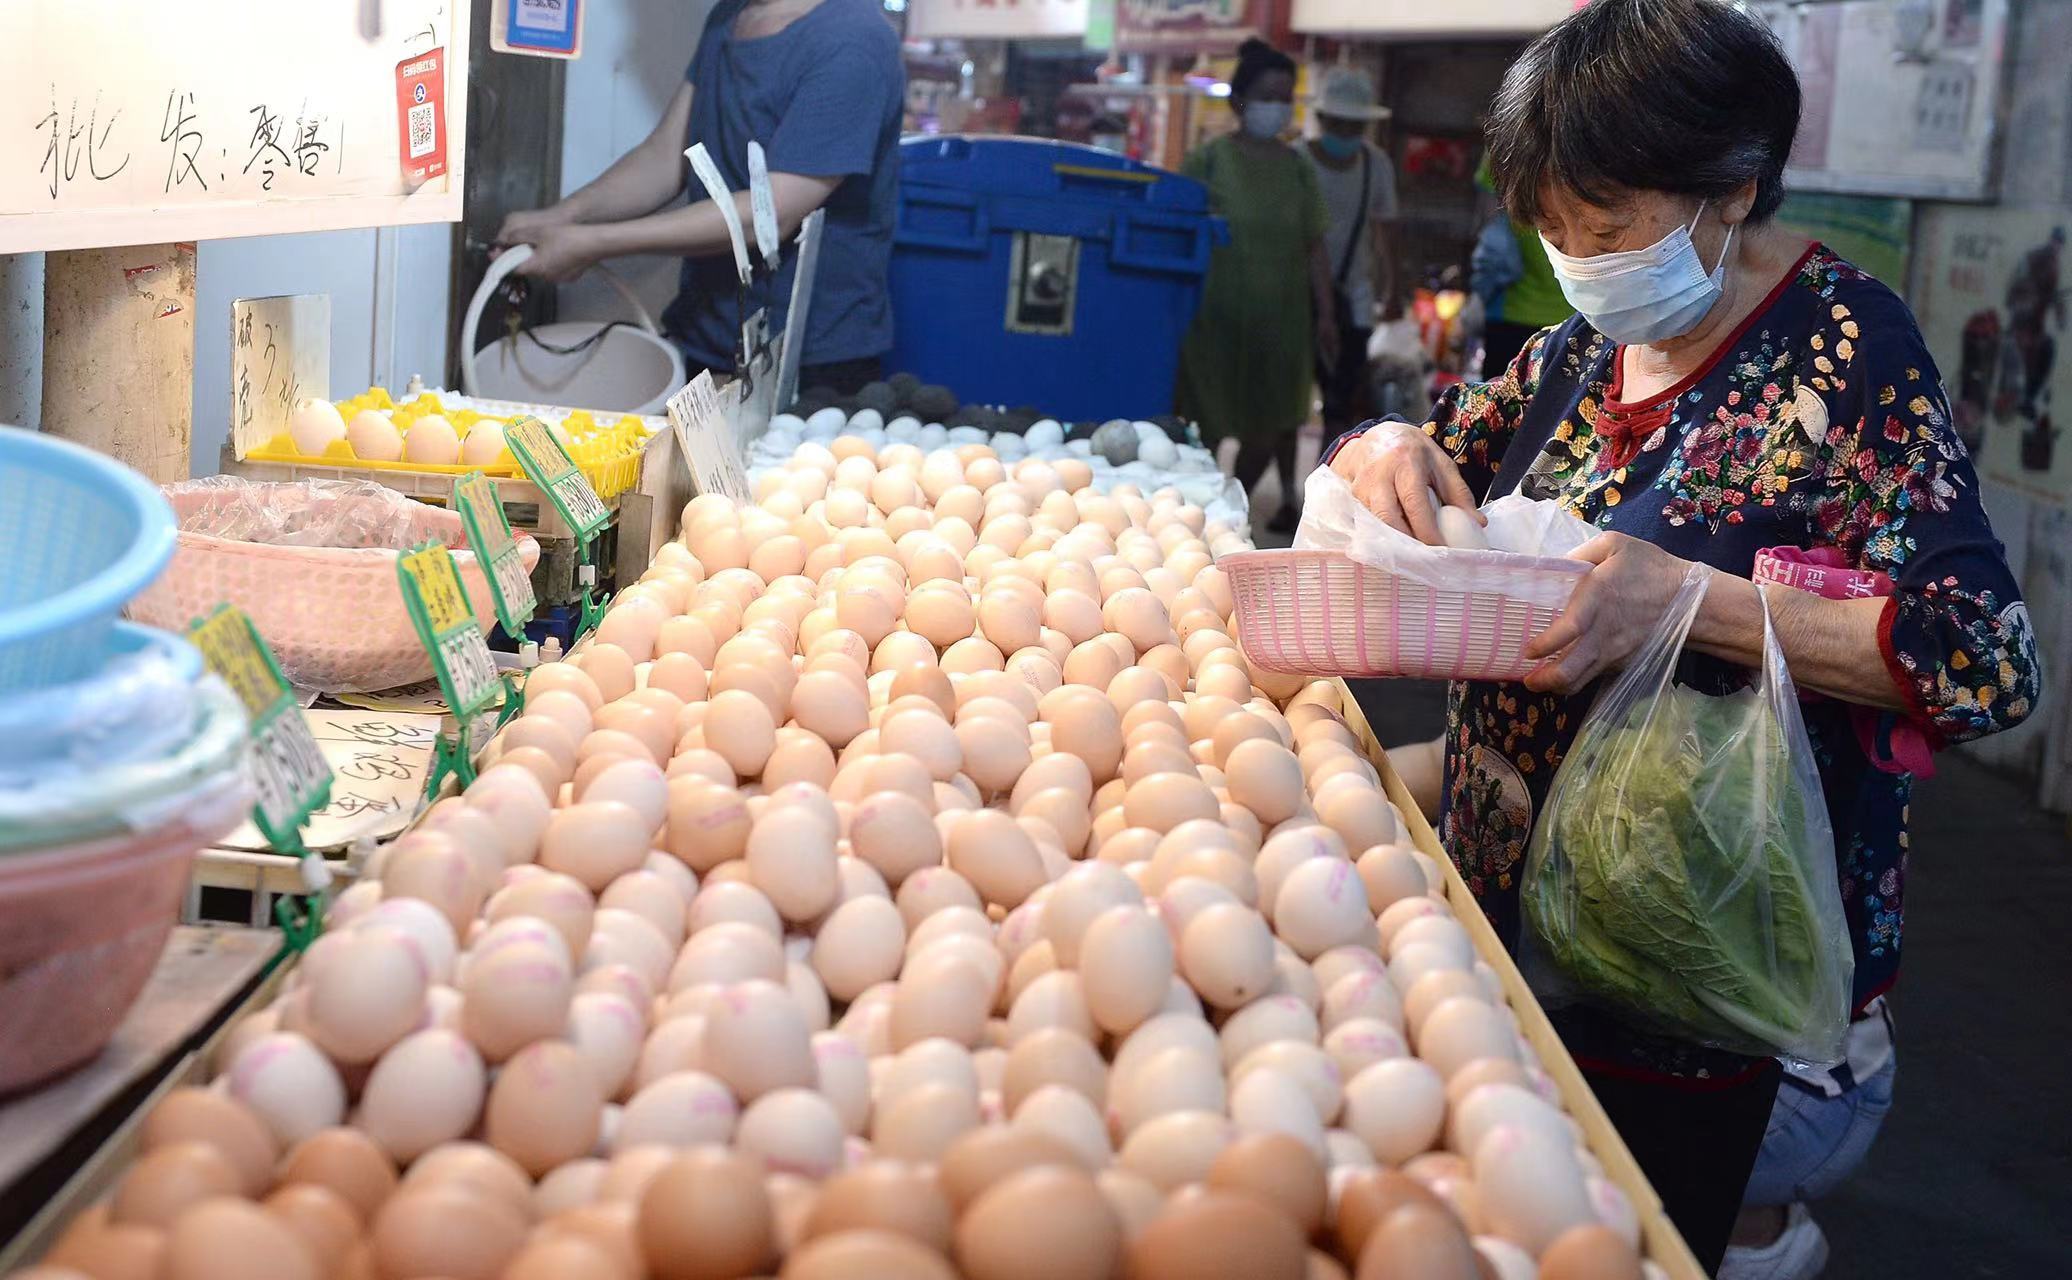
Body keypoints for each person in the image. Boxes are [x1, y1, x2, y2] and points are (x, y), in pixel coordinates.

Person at [1324, 0, 2038, 1268]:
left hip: (1681, 960)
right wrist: (1377, 444)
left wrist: (1687, 602)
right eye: (1551, 231)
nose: (1576, 260)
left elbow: (1979, 659)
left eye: (1605, 230)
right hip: (1502, 923)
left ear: (1732, 188)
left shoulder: (1847, 354)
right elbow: (1432, 450)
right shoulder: (1574, 352)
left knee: (1633, 1235)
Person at [495, 0, 905, 396]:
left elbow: (769, 215)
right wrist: (564, 216)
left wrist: (592, 243)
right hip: (709, 336)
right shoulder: (730, 15)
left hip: (811, 357)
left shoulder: (852, 39)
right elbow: (664, 159)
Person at [1176, 39, 1339, 524]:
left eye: (1285, 97)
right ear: (1239, 100)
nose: (1277, 107)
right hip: (1211, 320)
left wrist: (1326, 315)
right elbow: (1177, 234)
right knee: (1203, 426)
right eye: (1268, 96)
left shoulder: (1298, 169)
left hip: (1282, 323)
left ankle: (1229, 508)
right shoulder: (1207, 162)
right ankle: (1193, 515)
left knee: (1270, 428)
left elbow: (1315, 245)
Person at [1289, 67, 1399, 534]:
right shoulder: (1296, 161)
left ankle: (1318, 496)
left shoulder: (1375, 165)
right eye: (1338, 124)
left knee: (1340, 403)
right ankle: (1286, 493)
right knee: (1288, 404)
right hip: (1293, 299)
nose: (1345, 134)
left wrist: (1393, 287)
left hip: (1353, 297)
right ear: (1321, 120)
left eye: (1354, 126)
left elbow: (1385, 230)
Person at [1469, 153, 1571, 377]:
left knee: (1501, 396)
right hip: (1573, 316)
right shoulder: (1591, 144)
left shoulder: (1506, 144)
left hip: (1511, 312)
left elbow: (1487, 226)